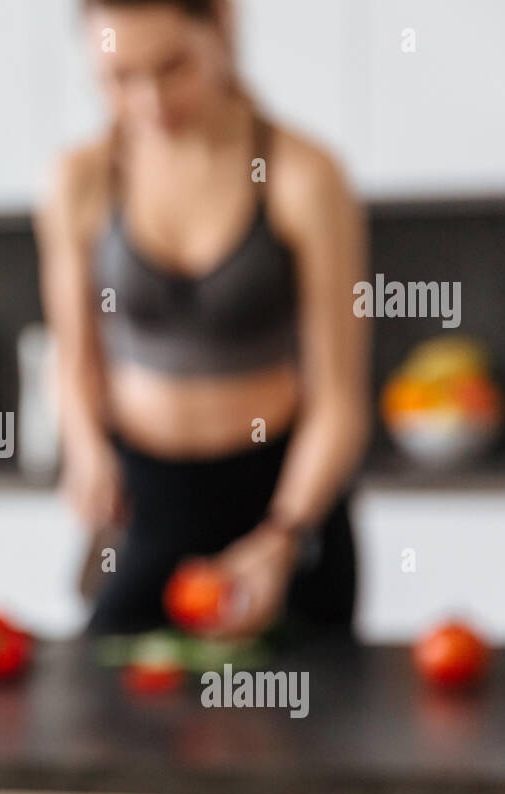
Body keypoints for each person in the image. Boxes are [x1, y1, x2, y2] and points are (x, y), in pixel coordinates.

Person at [36, 0, 371, 640]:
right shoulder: (79, 180)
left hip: (280, 500)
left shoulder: (304, 175)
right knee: (114, 715)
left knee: (299, 723)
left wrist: (283, 536)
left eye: (172, 66)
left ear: (223, 26)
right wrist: (83, 445)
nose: (149, 100)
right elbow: (74, 357)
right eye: (117, 77)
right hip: (148, 504)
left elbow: (339, 401)